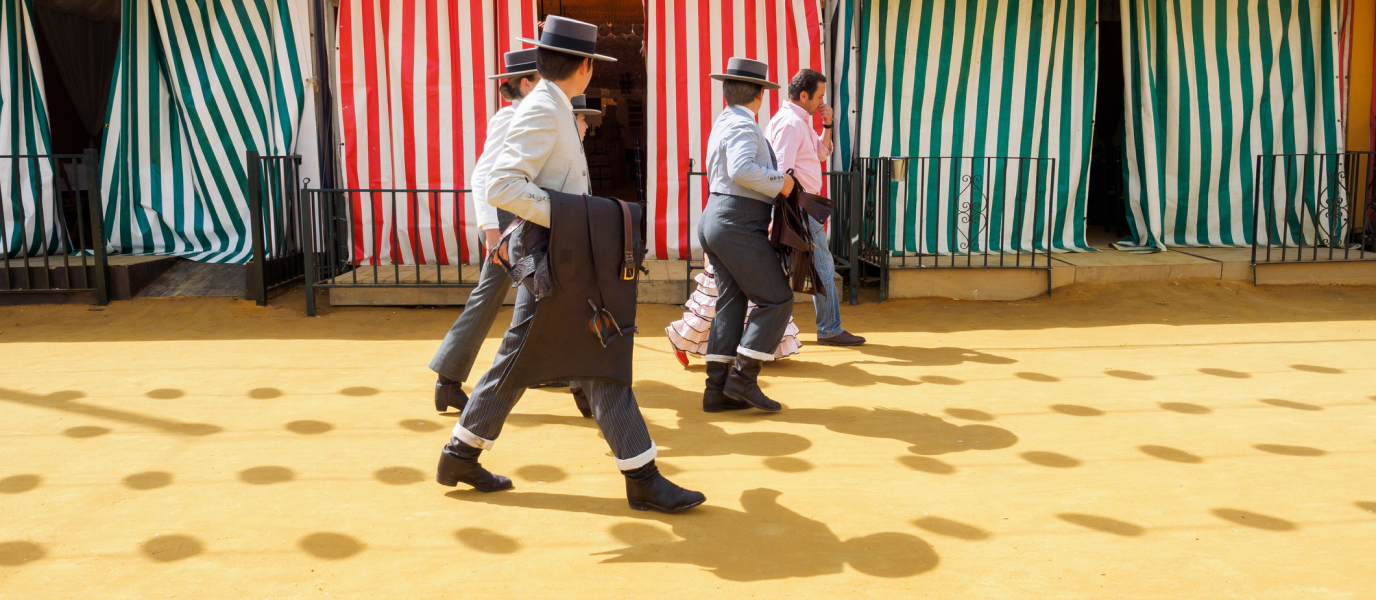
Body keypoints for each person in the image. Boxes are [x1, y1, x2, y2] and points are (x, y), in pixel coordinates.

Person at [435, 15, 704, 515]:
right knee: (600, 357)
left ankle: (460, 455)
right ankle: (642, 478)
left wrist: (569, 220)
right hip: (557, 262)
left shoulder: (549, 105)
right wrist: (571, 218)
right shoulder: (544, 109)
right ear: (584, 66)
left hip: (560, 263)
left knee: (541, 362)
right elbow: (502, 185)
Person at [428, 49, 546, 413]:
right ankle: (448, 380)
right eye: (541, 80)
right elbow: (482, 176)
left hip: (522, 220)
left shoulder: (533, 118)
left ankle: (558, 373)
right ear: (525, 84)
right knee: (493, 296)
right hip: (506, 223)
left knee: (542, 291)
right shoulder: (508, 119)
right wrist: (491, 232)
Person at [696, 57, 797, 414]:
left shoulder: (724, 121)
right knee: (777, 299)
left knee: (731, 303)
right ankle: (743, 378)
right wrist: (782, 183)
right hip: (736, 222)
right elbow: (741, 169)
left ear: (727, 92)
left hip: (717, 217)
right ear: (759, 94)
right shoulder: (745, 124)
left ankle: (717, 389)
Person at [764, 68, 865, 347]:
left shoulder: (797, 120)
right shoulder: (791, 123)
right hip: (799, 207)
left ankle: (819, 328)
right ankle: (829, 328)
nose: (822, 102)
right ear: (804, 95)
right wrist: (791, 211)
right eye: (819, 96)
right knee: (820, 266)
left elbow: (820, 153)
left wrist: (827, 125)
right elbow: (783, 171)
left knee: (807, 267)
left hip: (800, 206)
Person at [664, 254, 802, 366]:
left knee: (754, 306)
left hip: (749, 253)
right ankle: (679, 339)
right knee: (710, 309)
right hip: (729, 250)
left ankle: (758, 351)